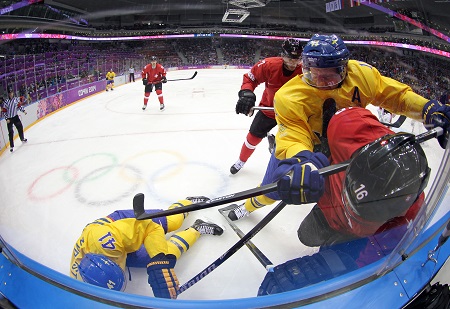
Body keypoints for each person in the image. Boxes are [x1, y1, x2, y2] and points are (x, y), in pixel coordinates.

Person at [226, 33, 450, 240]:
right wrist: (301, 159)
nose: (322, 81)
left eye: (330, 75)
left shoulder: (362, 74)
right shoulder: (288, 96)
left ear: (344, 68)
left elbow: (395, 96)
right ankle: (247, 207)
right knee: (275, 186)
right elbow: (293, 133)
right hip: (308, 150)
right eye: (315, 74)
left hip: (342, 147)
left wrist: (427, 109)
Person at [70, 196, 223, 299]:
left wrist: (159, 260)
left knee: (172, 222)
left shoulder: (107, 238)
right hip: (113, 249)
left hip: (115, 226)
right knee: (168, 253)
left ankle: (186, 203)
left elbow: (151, 228)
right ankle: (197, 228)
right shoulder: (80, 282)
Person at [229, 38, 303, 174]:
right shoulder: (269, 65)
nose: (293, 63)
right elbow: (250, 78)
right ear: (282, 55)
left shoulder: (305, 70)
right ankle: (241, 161)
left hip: (292, 113)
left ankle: (281, 151)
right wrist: (246, 93)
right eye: (289, 59)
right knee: (252, 138)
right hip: (268, 110)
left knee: (295, 142)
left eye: (297, 59)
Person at [1, 87, 28, 152]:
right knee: (10, 132)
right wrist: (6, 118)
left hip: (15, 117)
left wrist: (23, 111)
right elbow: (4, 111)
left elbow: (19, 106)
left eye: (11, 93)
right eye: (9, 93)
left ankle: (22, 138)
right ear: (8, 94)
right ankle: (11, 146)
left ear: (13, 93)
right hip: (9, 119)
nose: (11, 94)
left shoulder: (16, 100)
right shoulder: (6, 102)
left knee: (20, 127)